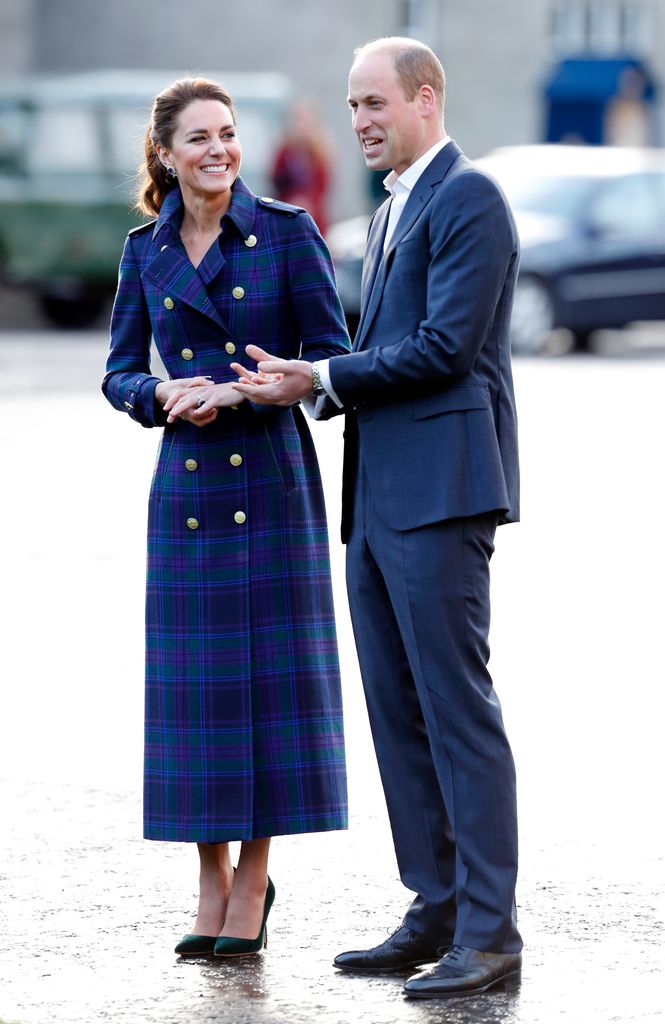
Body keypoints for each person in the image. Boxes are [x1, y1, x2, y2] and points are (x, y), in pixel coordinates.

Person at [231, 37, 523, 997]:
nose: (358, 121)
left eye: (373, 105)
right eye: (351, 106)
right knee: (399, 716)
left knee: (455, 712)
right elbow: (384, 348)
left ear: (425, 100)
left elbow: (443, 349)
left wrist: (321, 375)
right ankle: (433, 906)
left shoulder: (467, 198)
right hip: (382, 496)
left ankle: (489, 933)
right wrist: (301, 385)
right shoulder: (396, 205)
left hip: (442, 493)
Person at [102, 77, 349, 959]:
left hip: (273, 478)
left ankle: (254, 878)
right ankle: (209, 876)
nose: (218, 150)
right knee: (200, 699)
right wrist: (161, 392)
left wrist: (272, 380)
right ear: (165, 153)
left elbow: (332, 360)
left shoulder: (286, 232)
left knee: (271, 689)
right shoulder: (144, 250)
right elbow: (118, 371)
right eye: (198, 138)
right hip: (191, 486)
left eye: (229, 134)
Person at [270, 100, 332, 234]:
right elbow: (276, 180)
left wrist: (308, 202)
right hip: (286, 213)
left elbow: (322, 186)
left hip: (313, 216)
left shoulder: (320, 153)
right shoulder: (284, 151)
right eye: (297, 120)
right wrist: (291, 201)